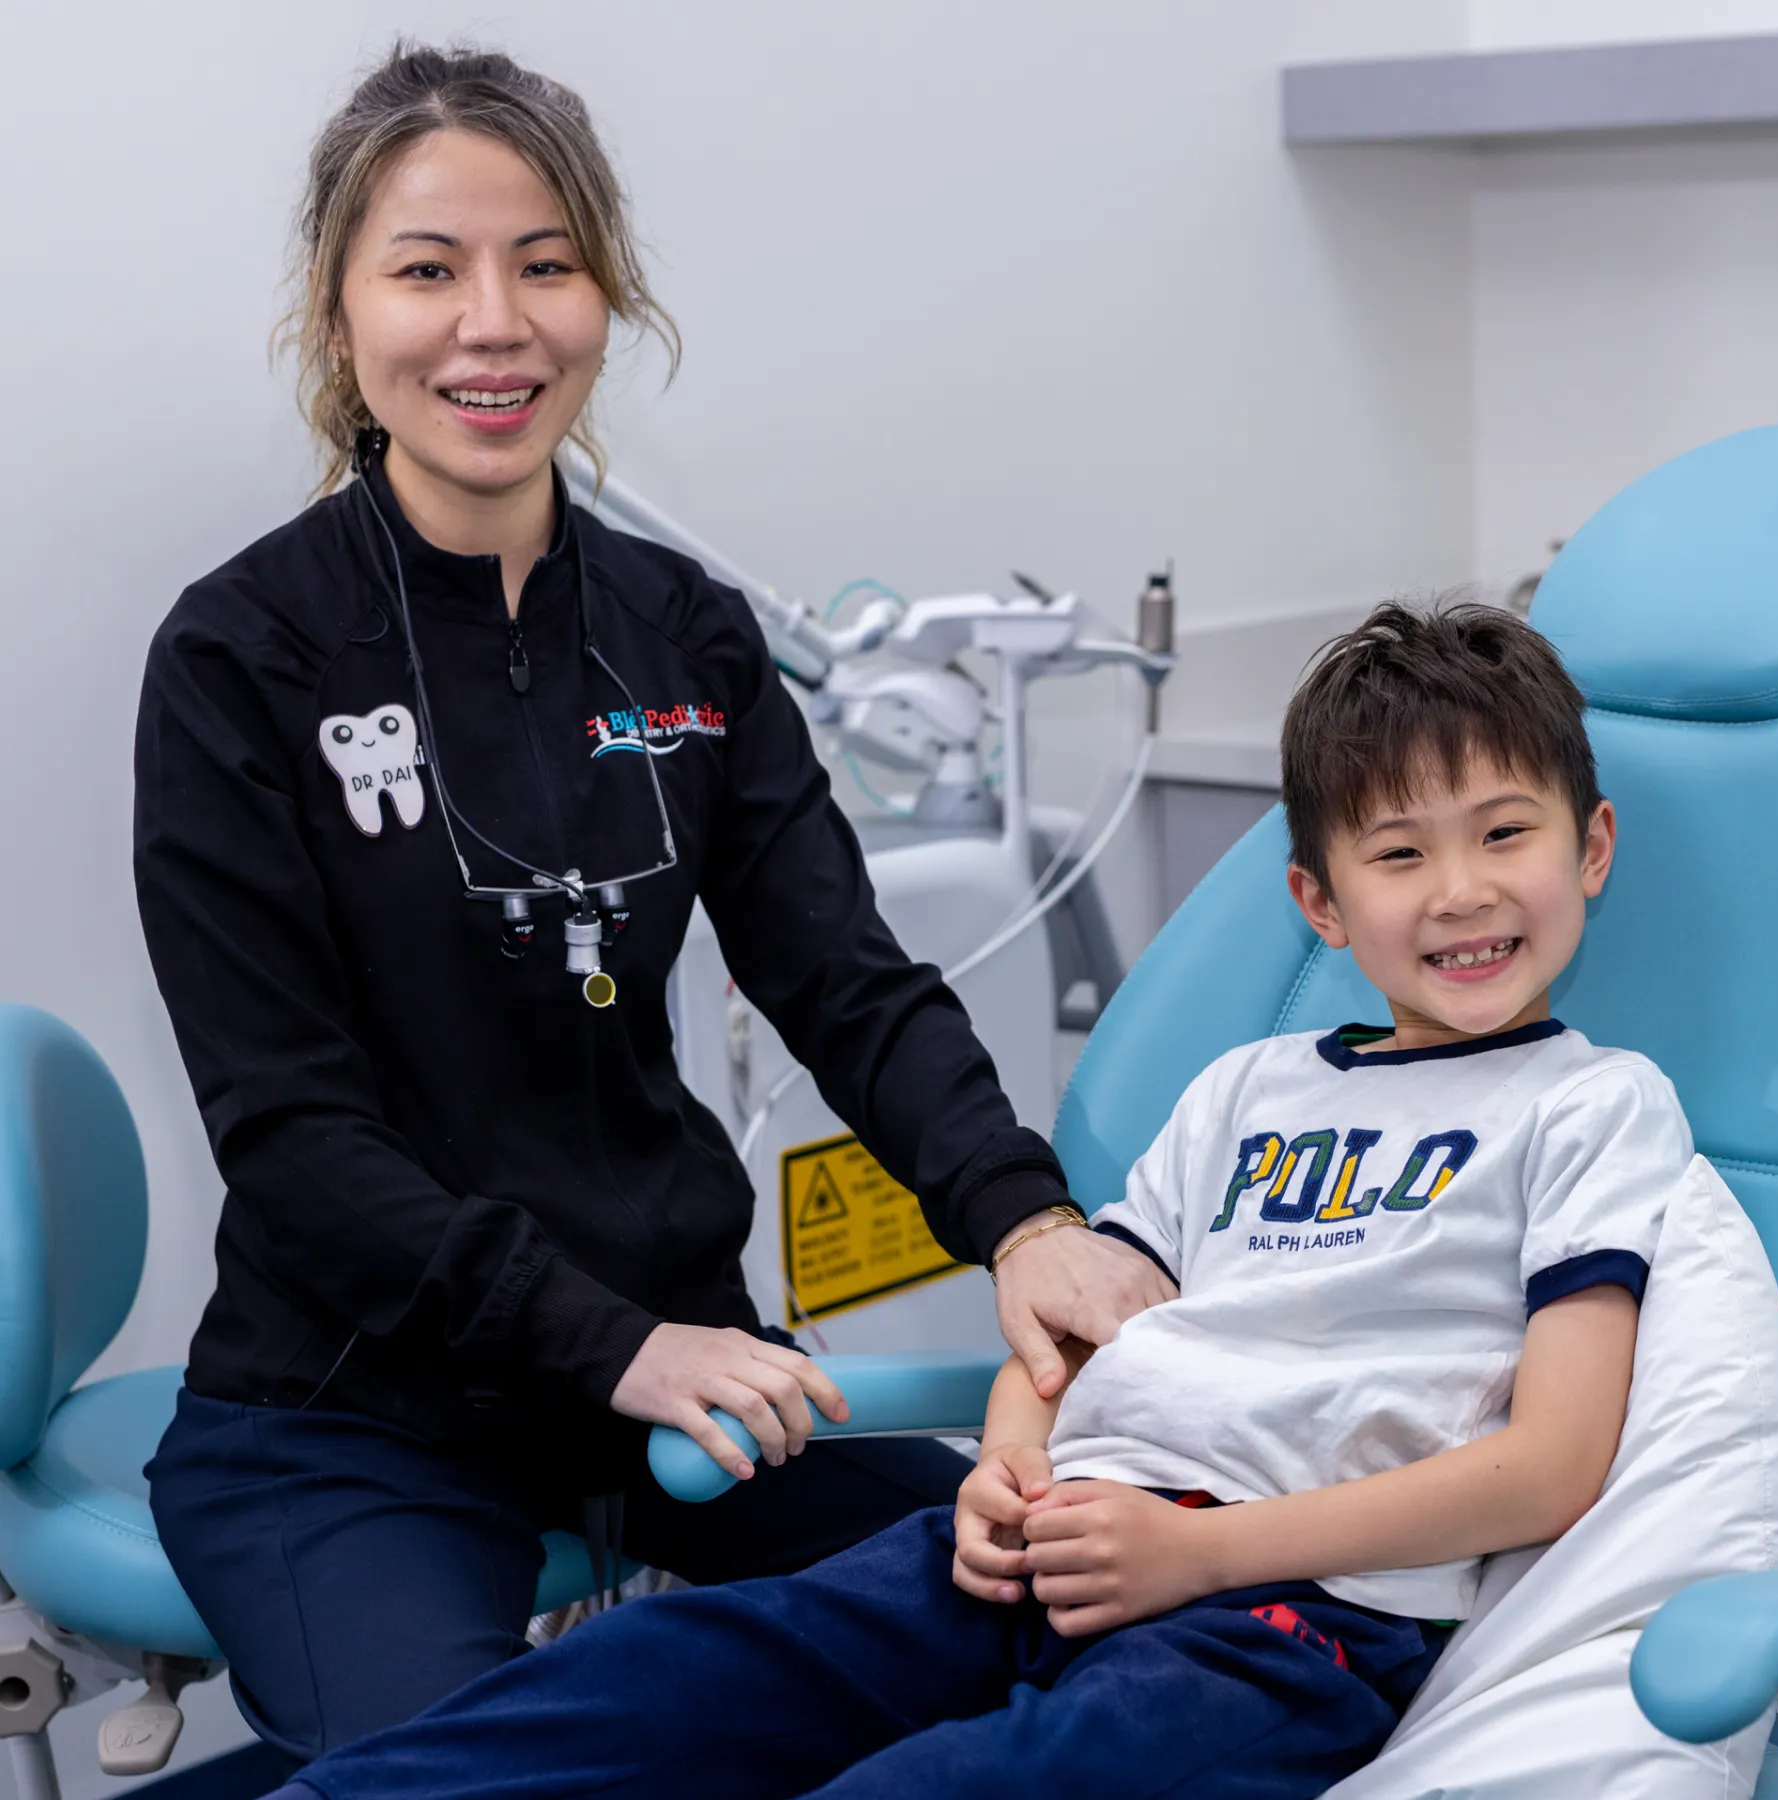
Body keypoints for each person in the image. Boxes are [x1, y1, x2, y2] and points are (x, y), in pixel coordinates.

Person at [132, 41, 1169, 1770]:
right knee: (481, 1769)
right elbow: (293, 1137)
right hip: (353, 1417)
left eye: (546, 262)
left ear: (607, 298)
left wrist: (1027, 1219)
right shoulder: (242, 659)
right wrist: (607, 1344)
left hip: (688, 1383)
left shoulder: (688, 639)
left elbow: (845, 981)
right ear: (337, 314)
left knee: (1083, 1629)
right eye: (427, 268)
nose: (494, 321)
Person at [259, 600, 1697, 1800]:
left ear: (1592, 849)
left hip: (1279, 1620)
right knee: (660, 1680)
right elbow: (1064, 1347)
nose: (1459, 893)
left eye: (1504, 836)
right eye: (1399, 853)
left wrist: (1196, 1551)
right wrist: (1007, 1478)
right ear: (1320, 905)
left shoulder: (1587, 1106)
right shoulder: (1246, 1094)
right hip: (1054, 1546)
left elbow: (1550, 1464)